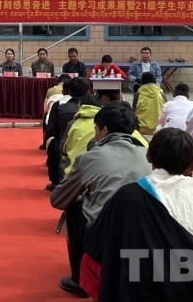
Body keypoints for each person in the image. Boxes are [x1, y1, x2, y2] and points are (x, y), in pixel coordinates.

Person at [85, 129, 193, 302]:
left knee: (90, 260)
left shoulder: (127, 195)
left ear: (148, 156)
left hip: (144, 290)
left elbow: (96, 242)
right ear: (191, 166)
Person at [50, 102, 150, 297]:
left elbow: (58, 199)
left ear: (104, 130)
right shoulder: (149, 154)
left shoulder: (89, 157)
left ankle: (80, 280)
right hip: (147, 233)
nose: (95, 135)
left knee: (73, 209)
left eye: (96, 130)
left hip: (107, 238)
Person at [45, 77, 88, 190]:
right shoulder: (98, 107)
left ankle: (55, 181)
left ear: (69, 91)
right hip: (91, 144)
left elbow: (50, 128)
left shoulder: (60, 106)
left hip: (65, 145)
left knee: (53, 144)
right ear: (88, 91)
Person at [60, 94, 102, 175]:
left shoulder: (73, 123)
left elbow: (63, 148)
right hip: (98, 170)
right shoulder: (105, 123)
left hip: (76, 170)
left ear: (80, 106)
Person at [40, 75, 72, 151]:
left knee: (46, 115)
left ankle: (45, 142)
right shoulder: (78, 101)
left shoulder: (51, 91)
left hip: (55, 130)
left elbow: (45, 110)